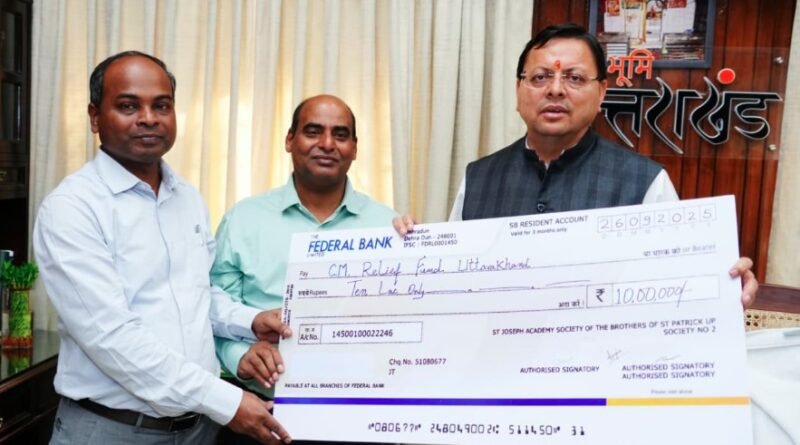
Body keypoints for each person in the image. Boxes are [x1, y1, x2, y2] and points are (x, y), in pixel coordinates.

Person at [394, 23, 757, 304]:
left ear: (601, 93)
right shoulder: (478, 177)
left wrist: (722, 288)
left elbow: (677, 284)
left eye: (574, 78)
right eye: (540, 77)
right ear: (519, 91)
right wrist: (408, 253)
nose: (555, 89)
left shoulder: (645, 181)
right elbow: (452, 285)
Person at [33, 51, 292, 445]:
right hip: (111, 430)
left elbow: (197, 296)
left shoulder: (186, 197)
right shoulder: (72, 208)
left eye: (162, 105)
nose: (149, 118)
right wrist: (227, 402)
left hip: (198, 429)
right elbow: (114, 339)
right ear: (94, 117)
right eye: (128, 106)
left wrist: (251, 320)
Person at [212, 94, 397, 444]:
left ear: (355, 149)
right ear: (289, 140)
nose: (327, 144)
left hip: (361, 419)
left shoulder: (390, 227)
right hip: (261, 416)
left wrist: (420, 248)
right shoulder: (243, 220)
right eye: (313, 131)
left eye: (340, 134)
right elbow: (209, 311)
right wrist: (240, 356)